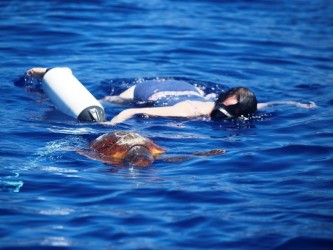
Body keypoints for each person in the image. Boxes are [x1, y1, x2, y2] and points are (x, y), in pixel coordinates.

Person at [27, 67, 316, 125]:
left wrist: (294, 103)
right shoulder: (190, 110)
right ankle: (54, 78)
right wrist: (113, 124)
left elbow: (267, 103)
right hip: (148, 91)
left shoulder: (229, 104)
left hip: (180, 84)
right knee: (107, 104)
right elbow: (135, 112)